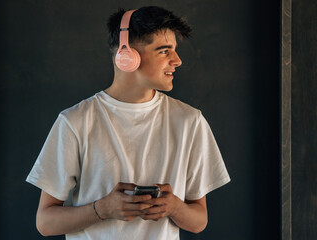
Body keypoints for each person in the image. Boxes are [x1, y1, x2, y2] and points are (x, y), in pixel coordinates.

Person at [26, 6, 230, 240]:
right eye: (165, 51)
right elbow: (45, 223)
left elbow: (198, 223)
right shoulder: (74, 122)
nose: (178, 60)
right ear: (127, 56)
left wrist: (174, 207)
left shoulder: (190, 121)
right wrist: (103, 210)